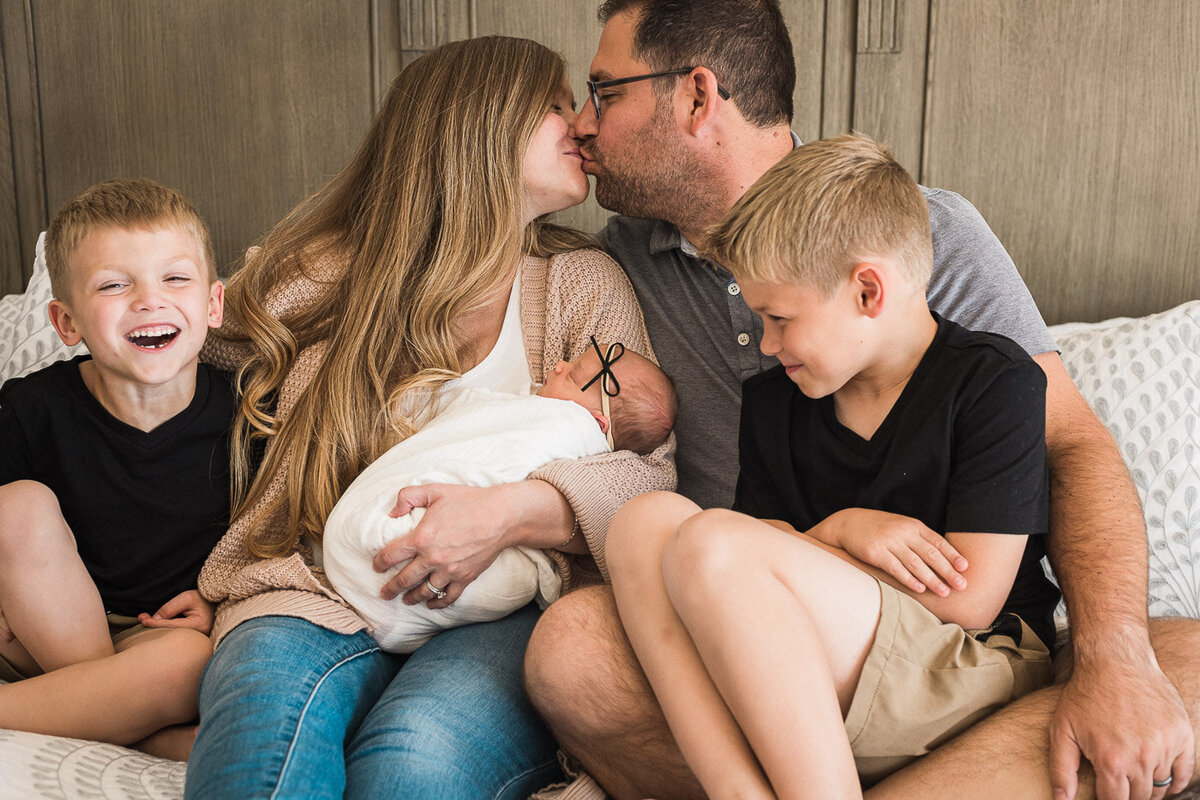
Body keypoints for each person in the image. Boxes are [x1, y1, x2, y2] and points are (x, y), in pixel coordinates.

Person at [523, 2, 1199, 799]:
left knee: (1183, 661)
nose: (584, 126)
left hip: (920, 627)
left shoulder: (923, 237)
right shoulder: (608, 270)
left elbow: (1070, 447)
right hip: (742, 615)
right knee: (571, 647)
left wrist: (1113, 651)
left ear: (697, 97)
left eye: (605, 92)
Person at [182, 35, 674, 800]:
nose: (581, 124)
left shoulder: (581, 284)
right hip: (316, 585)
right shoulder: (339, 274)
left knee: (411, 759)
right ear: (478, 126)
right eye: (553, 105)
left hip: (504, 611)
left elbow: (646, 473)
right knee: (262, 721)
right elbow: (185, 343)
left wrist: (510, 514)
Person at [608, 132, 1063, 798]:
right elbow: (748, 567)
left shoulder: (996, 383)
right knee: (642, 523)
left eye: (779, 318)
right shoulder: (774, 402)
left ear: (867, 293)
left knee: (709, 540)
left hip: (970, 661)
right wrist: (841, 531)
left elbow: (970, 601)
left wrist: (798, 550)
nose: (766, 344)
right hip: (829, 657)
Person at [0, 178, 229, 761]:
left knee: (186, 664)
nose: (149, 300)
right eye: (113, 285)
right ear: (66, 322)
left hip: (157, 646)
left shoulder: (250, 411)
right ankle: (125, 722)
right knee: (16, 505)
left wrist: (222, 597)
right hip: (33, 634)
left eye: (174, 278)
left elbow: (283, 534)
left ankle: (88, 708)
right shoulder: (29, 407)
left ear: (213, 304)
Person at [324, 340, 675, 653]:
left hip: (420, 564)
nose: (558, 366)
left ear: (597, 424)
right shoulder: (529, 405)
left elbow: (642, 485)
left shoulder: (569, 427)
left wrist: (505, 512)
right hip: (358, 560)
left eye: (571, 376)